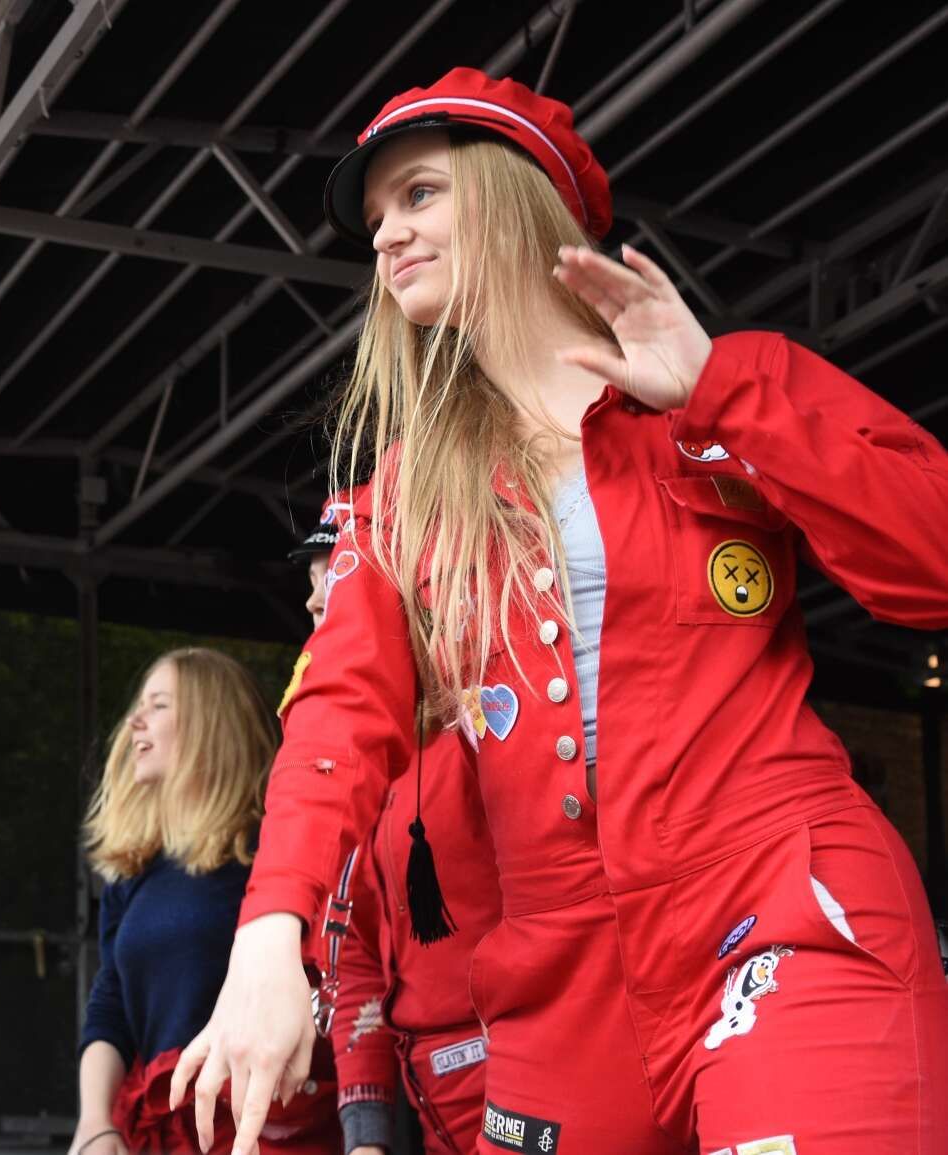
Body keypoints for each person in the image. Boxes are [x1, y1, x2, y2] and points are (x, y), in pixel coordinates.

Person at [174, 67, 948, 1154]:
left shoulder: (723, 389)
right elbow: (338, 713)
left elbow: (931, 564)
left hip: (778, 899)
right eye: (378, 217)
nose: (387, 234)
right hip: (556, 980)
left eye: (420, 194)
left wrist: (722, 394)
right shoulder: (398, 498)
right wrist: (268, 934)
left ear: (513, 195)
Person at [289, 509, 500, 1155]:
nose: (313, 600)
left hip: (538, 1089)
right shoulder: (344, 767)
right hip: (433, 1111)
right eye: (312, 585)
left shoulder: (485, 726)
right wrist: (367, 1137)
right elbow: (351, 953)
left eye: (335, 575)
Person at [74, 648, 338, 1155]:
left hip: (266, 1129)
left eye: (159, 705)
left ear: (211, 723)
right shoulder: (132, 871)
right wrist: (94, 1123)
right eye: (139, 706)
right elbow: (111, 1004)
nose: (134, 721)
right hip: (162, 1130)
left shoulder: (275, 854)